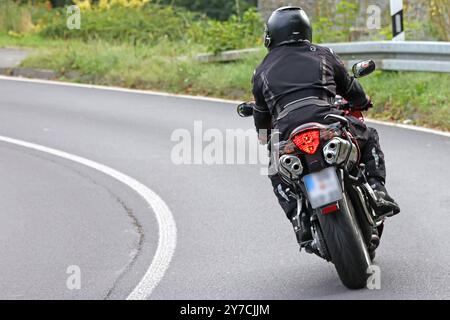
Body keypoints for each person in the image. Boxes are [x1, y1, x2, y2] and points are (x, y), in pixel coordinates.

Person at [251, 6, 400, 241]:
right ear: (305, 29)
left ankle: (298, 221)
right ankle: (378, 191)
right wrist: (362, 101)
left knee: (275, 169)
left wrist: (264, 136)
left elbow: (261, 114)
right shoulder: (322, 54)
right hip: (327, 123)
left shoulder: (261, 71)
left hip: (288, 133)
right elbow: (350, 88)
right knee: (369, 135)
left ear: (272, 35)